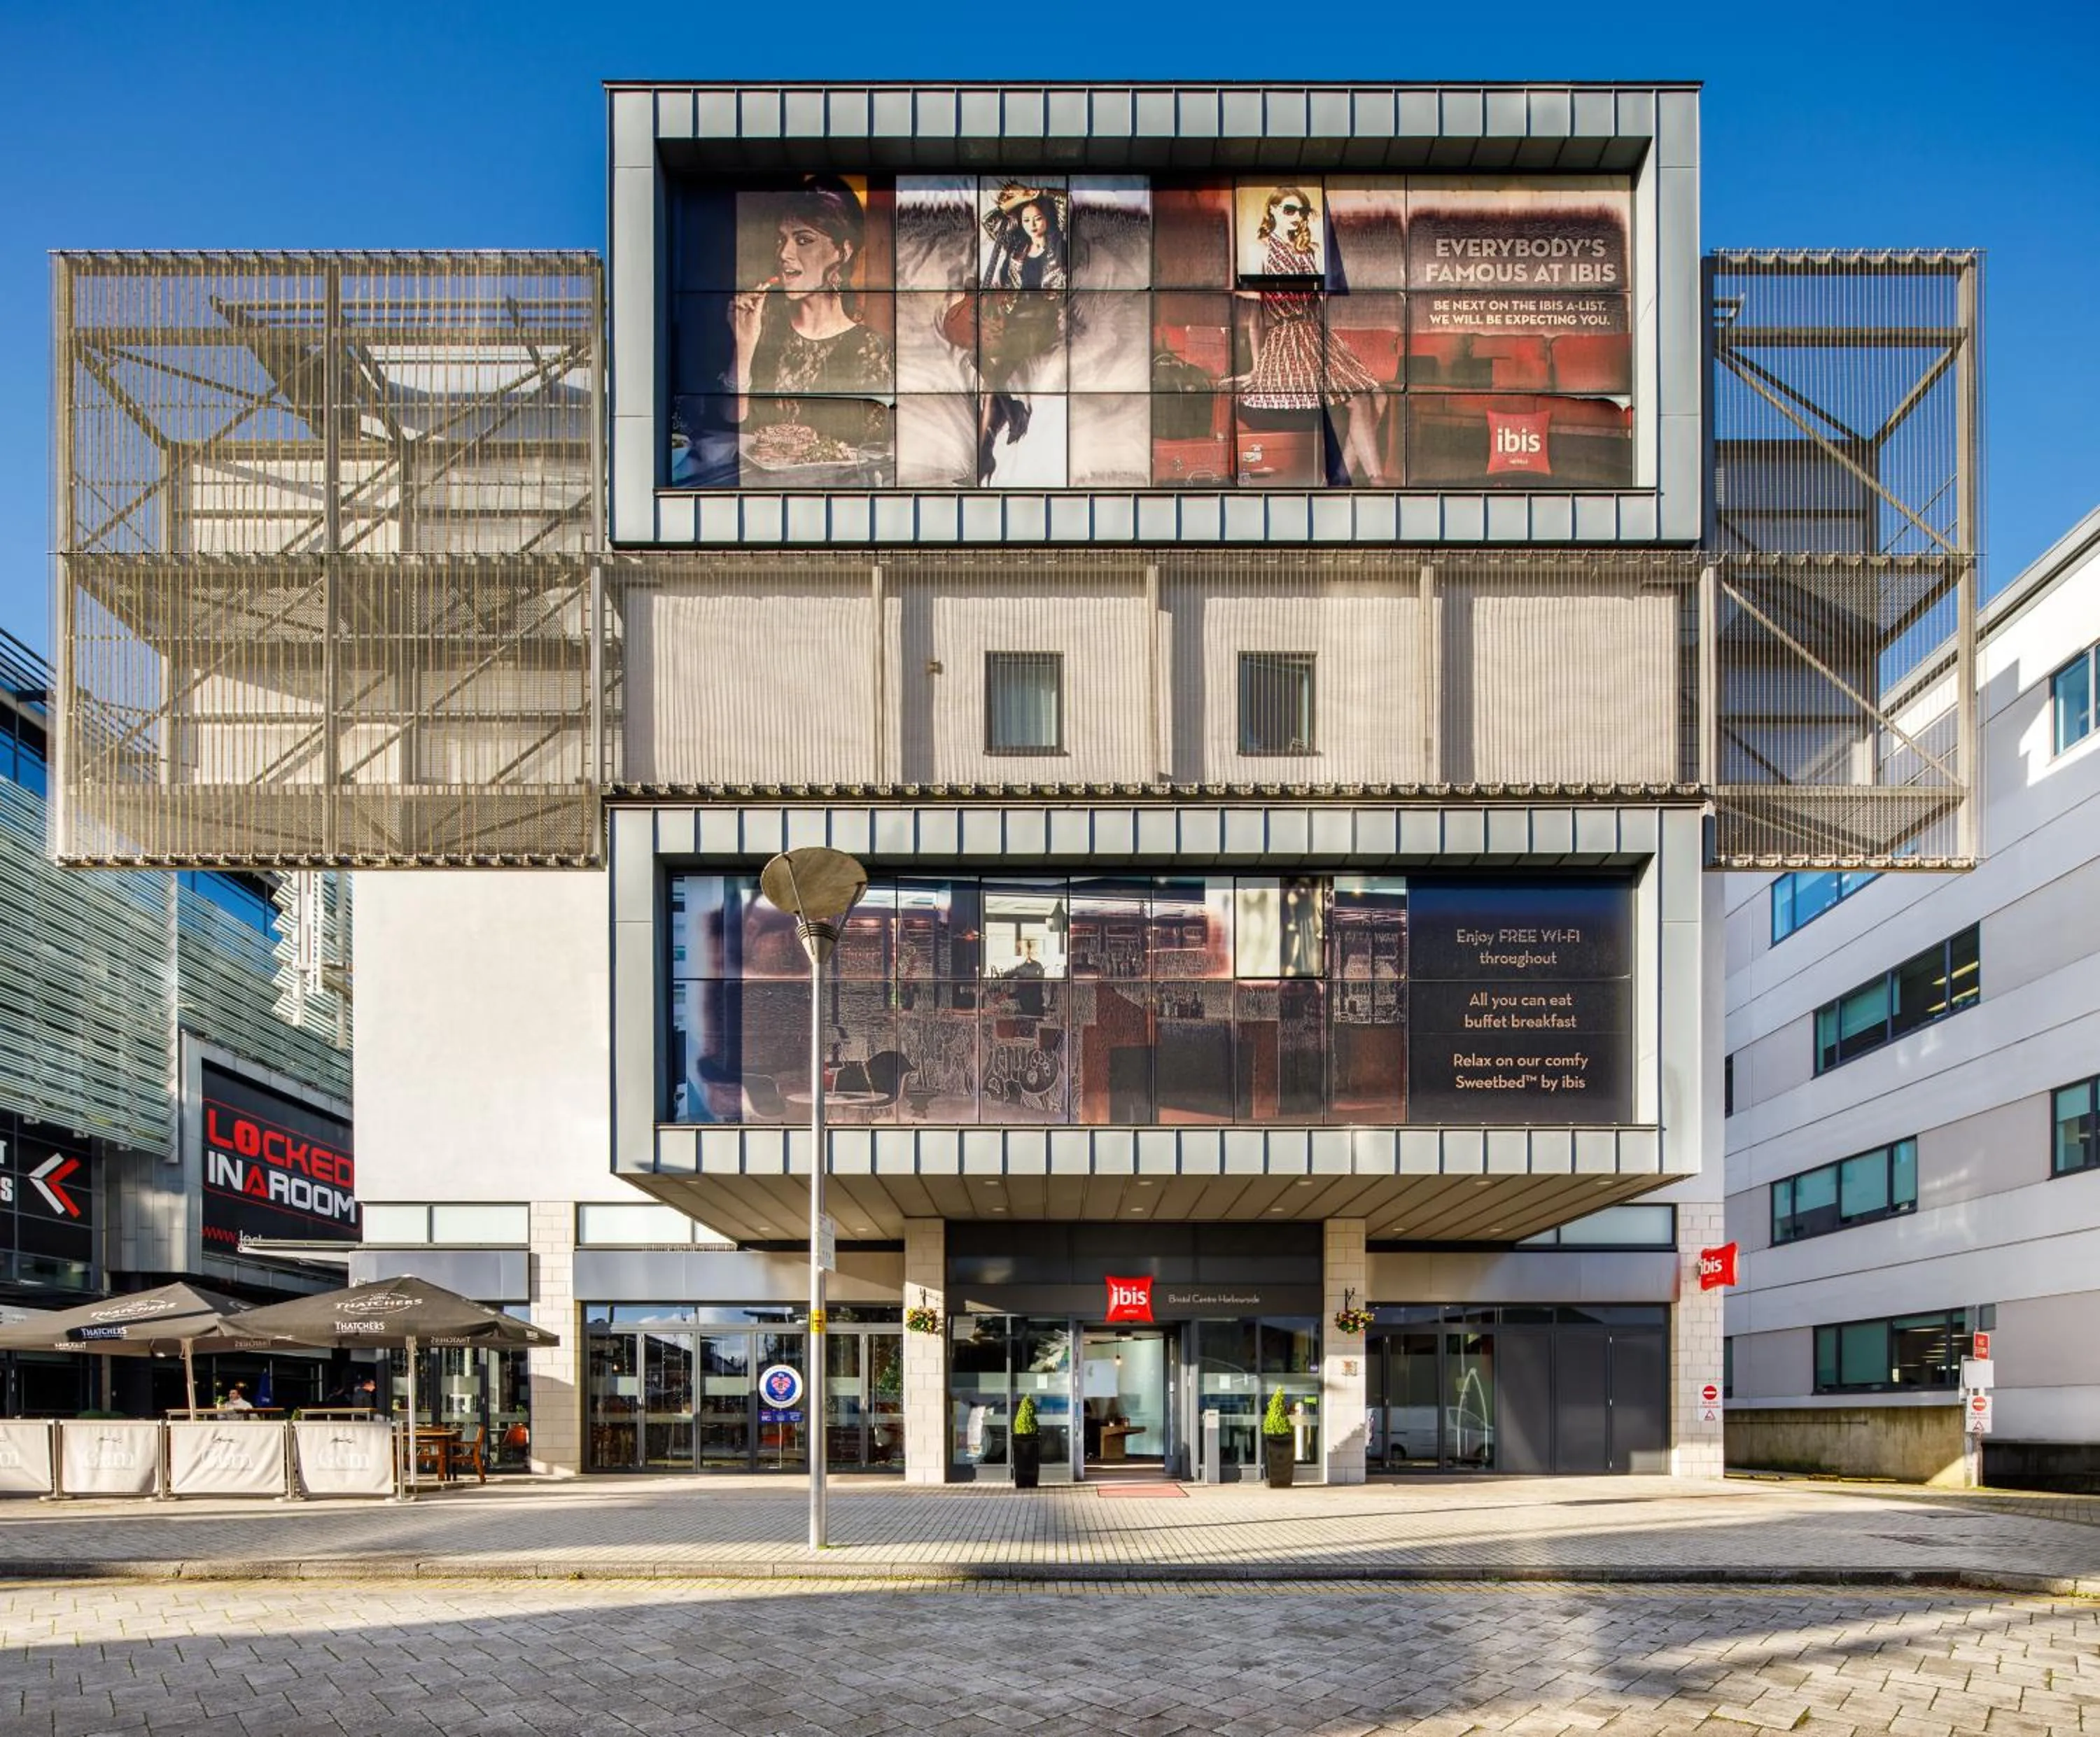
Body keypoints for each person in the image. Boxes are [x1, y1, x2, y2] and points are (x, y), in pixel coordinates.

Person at [721, 176, 892, 470]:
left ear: (843, 251)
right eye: (781, 240)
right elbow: (733, 424)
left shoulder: (875, 349)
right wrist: (745, 347)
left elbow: (878, 455)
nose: (784, 254)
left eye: (804, 240)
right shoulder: (763, 329)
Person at [1236, 186, 1387, 487]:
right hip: (1287, 340)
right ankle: (1375, 479)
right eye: (1289, 210)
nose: (1296, 217)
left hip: (1315, 335)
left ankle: (1340, 476)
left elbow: (1318, 306)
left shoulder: (1308, 251)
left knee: (1379, 397)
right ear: (1274, 211)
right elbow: (1256, 319)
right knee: (1358, 401)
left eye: (1301, 212)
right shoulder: (1262, 251)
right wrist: (1257, 366)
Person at [956, 184, 1071, 482]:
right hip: (1015, 319)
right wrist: (1015, 212)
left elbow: (1064, 202)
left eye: (1038, 219)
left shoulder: (1061, 247)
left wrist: (1036, 193)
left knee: (993, 381)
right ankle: (1008, 420)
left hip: (1041, 321)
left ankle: (983, 456)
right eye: (1027, 220)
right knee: (977, 360)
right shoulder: (1018, 248)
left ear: (1048, 217)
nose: (1033, 226)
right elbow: (992, 221)